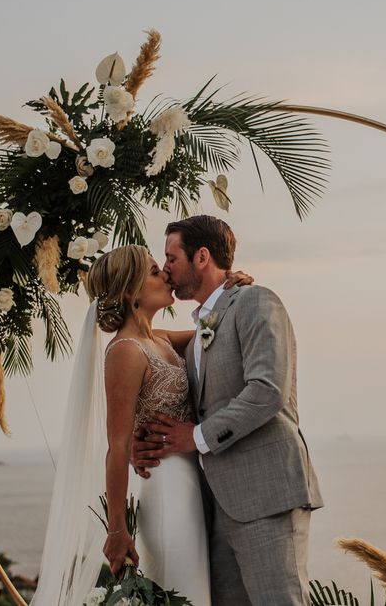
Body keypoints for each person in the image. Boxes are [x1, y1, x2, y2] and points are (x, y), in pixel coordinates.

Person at [30, 243, 251, 606]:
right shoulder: (125, 351)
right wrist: (117, 529)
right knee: (186, 593)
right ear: (131, 291)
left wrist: (229, 289)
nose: (165, 273)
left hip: (193, 483)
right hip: (166, 490)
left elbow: (213, 330)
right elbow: (116, 446)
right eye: (153, 271)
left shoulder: (160, 340)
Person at [133, 215, 324, 606]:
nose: (166, 268)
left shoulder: (257, 301)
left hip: (268, 495)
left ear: (202, 256)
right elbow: (151, 350)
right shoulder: (204, 323)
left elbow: (267, 391)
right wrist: (146, 436)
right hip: (219, 505)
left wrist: (195, 437)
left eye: (171, 257)